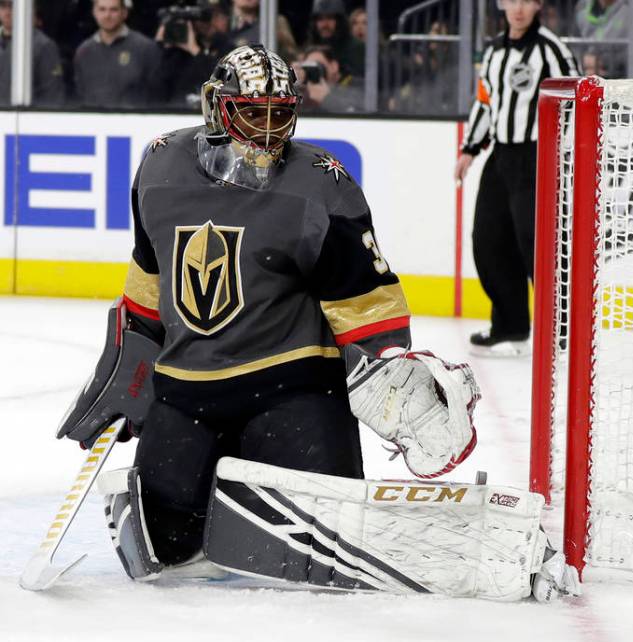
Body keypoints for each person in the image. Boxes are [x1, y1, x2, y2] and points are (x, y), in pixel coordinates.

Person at [55, 45, 524, 597]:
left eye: (282, 112)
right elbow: (149, 276)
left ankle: (256, 463)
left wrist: (393, 368)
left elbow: (365, 299)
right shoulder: (158, 165)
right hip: (187, 392)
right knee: (167, 549)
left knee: (326, 546)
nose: (271, 128)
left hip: (290, 388)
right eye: (254, 111)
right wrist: (128, 366)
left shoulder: (321, 183)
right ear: (217, 107)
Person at [456, 0, 578, 357]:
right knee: (488, 240)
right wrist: (470, 148)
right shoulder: (494, 52)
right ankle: (510, 325)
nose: (519, 9)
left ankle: (562, 329)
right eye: (512, 1)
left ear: (539, 4)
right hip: (501, 158)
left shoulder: (551, 49)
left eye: (527, 0)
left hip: (537, 156)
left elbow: (573, 101)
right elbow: (485, 101)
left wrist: (564, 153)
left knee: (538, 243)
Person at [73, 0, 162, 107]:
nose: (107, 15)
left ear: (124, 13)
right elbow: (80, 94)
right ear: (94, 13)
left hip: (135, 120)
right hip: (94, 120)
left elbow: (157, 95)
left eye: (113, 10)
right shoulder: (84, 51)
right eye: (102, 9)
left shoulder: (146, 48)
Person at [154, 2, 233, 108]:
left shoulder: (231, 50)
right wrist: (162, 47)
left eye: (215, 16)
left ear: (226, 19)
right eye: (201, 17)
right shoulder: (179, 53)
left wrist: (195, 51)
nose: (208, 23)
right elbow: (157, 89)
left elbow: (224, 81)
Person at [0, 0, 65, 106]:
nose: (7, 11)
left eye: (12, 6)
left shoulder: (44, 46)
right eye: (2, 6)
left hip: (30, 117)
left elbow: (53, 97)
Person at [293, 45, 364, 113]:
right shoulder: (307, 92)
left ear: (334, 66)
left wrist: (326, 99)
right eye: (308, 67)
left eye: (318, 64)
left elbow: (356, 112)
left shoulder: (358, 85)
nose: (314, 70)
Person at [308, 0, 364, 78]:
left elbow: (360, 83)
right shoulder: (312, 49)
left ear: (340, 21)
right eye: (320, 19)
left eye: (330, 18)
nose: (324, 25)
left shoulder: (357, 48)